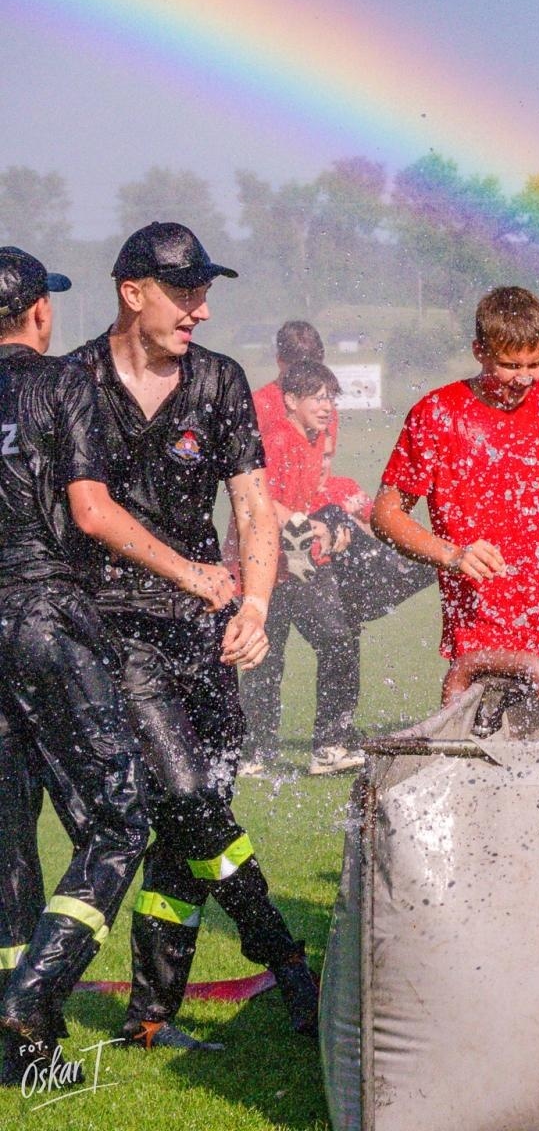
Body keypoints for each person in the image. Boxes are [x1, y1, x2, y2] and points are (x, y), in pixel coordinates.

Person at [65, 222, 319, 1050]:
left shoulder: (219, 382)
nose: (201, 311)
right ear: (131, 292)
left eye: (206, 294)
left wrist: (254, 607)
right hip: (115, 630)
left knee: (194, 825)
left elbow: (252, 505)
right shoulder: (74, 383)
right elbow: (82, 511)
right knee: (184, 798)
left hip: (207, 632)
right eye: (185, 293)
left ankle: (151, 1014)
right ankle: (283, 957)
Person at [0, 248, 233, 1083]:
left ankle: (28, 1057)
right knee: (119, 822)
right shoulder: (65, 384)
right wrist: (196, 574)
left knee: (9, 826)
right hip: (43, 616)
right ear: (40, 314)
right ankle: (31, 996)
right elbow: (92, 512)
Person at [372, 285, 539, 699]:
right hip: (488, 640)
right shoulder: (437, 414)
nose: (525, 378)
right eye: (509, 364)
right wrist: (452, 555)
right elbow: (386, 514)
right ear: (479, 350)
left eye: (536, 363)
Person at [239, 359, 365, 776]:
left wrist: (329, 528)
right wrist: (307, 526)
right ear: (290, 400)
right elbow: (259, 505)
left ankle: (324, 745)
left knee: (335, 641)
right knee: (267, 659)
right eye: (317, 397)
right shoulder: (277, 440)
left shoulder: (312, 439)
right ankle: (258, 751)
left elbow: (303, 505)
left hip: (294, 565)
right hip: (267, 567)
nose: (327, 406)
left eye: (331, 397)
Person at [254, 319, 339, 453]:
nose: (307, 378)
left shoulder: (324, 409)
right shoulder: (258, 406)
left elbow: (321, 467)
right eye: (299, 371)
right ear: (279, 361)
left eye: (314, 370)